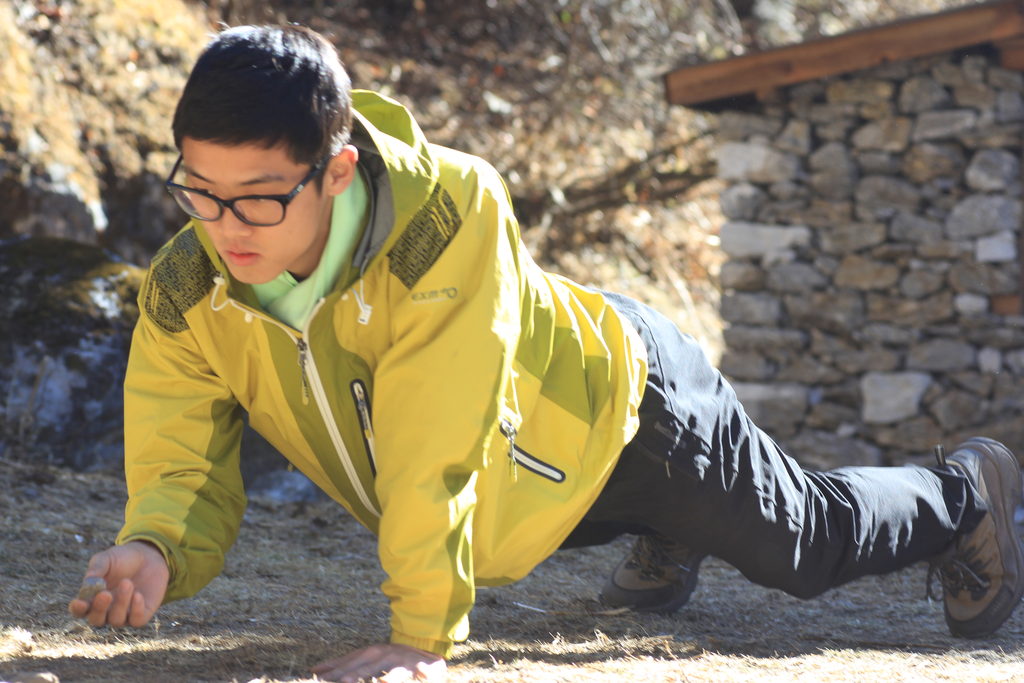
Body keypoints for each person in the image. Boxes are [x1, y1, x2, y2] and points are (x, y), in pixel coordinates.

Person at [68, 23, 1024, 683]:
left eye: (260, 197)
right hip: (519, 488)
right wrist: (156, 544)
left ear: (339, 167)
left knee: (806, 548)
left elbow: (434, 432)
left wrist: (421, 639)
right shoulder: (187, 289)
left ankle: (964, 492)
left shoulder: (448, 218)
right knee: (538, 508)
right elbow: (182, 449)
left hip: (629, 412)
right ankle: (670, 539)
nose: (225, 226)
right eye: (200, 190)